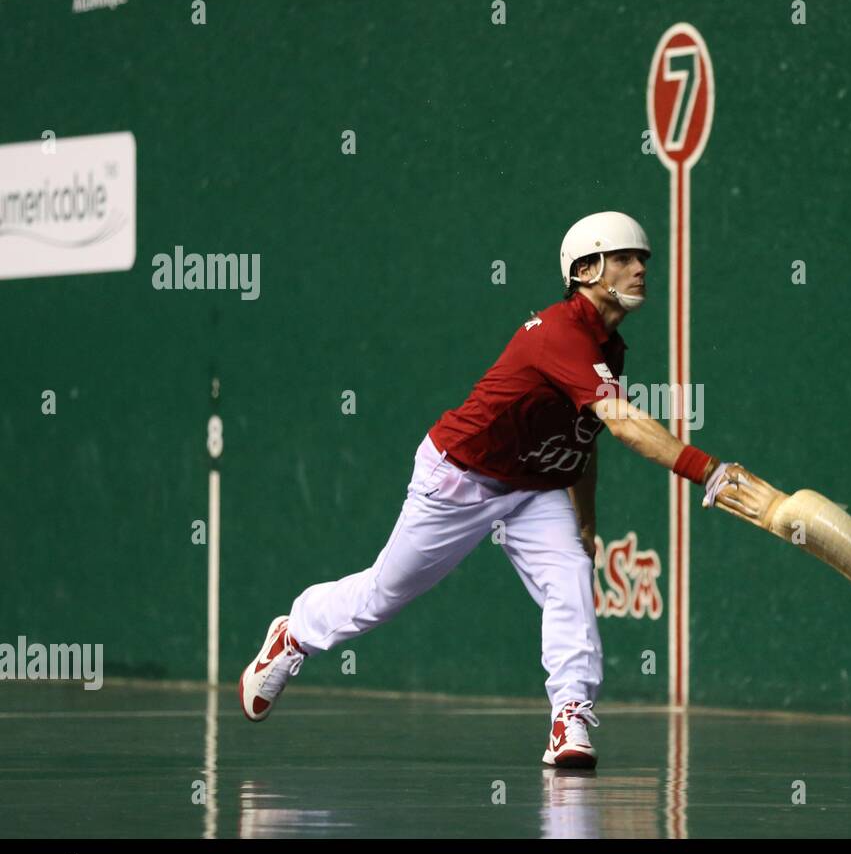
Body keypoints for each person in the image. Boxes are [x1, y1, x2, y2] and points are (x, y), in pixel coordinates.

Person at [238, 211, 744, 767]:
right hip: (459, 475)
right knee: (383, 595)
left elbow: (583, 435)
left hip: (532, 488)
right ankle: (295, 632)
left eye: (643, 259)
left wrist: (585, 518)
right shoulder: (559, 334)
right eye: (624, 258)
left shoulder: (609, 347)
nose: (640, 269)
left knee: (571, 575)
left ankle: (569, 717)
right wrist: (706, 469)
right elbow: (621, 421)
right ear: (585, 269)